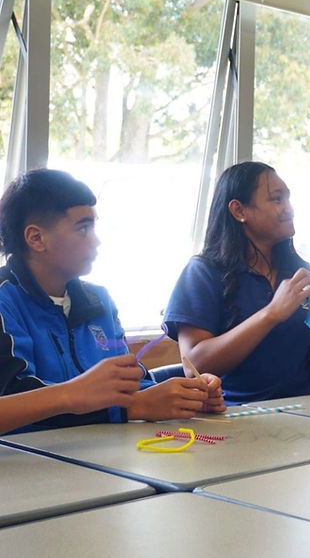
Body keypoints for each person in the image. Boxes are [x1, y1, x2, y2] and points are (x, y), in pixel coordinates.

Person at [0, 169, 224, 433]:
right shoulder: (7, 301)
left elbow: (132, 383)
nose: (96, 240)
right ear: (36, 238)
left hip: (99, 456)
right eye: (83, 228)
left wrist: (183, 398)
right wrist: (131, 408)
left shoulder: (99, 301)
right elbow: (14, 394)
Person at [164, 161, 310, 404]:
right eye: (277, 199)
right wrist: (272, 313)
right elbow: (194, 366)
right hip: (234, 417)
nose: (289, 209)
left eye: (288, 198)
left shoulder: (300, 272)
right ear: (239, 211)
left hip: (304, 413)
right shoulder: (203, 272)